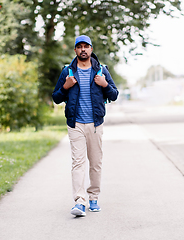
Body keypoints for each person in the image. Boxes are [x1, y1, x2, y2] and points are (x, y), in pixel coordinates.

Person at [52, 35, 119, 217]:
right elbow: (56, 97)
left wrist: (104, 84)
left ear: (91, 49)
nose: (83, 49)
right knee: (78, 163)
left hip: (96, 124)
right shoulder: (67, 71)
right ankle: (79, 202)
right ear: (75, 50)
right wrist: (65, 87)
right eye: (79, 47)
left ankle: (94, 198)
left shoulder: (102, 70)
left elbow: (114, 95)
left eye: (86, 46)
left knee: (95, 163)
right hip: (76, 125)